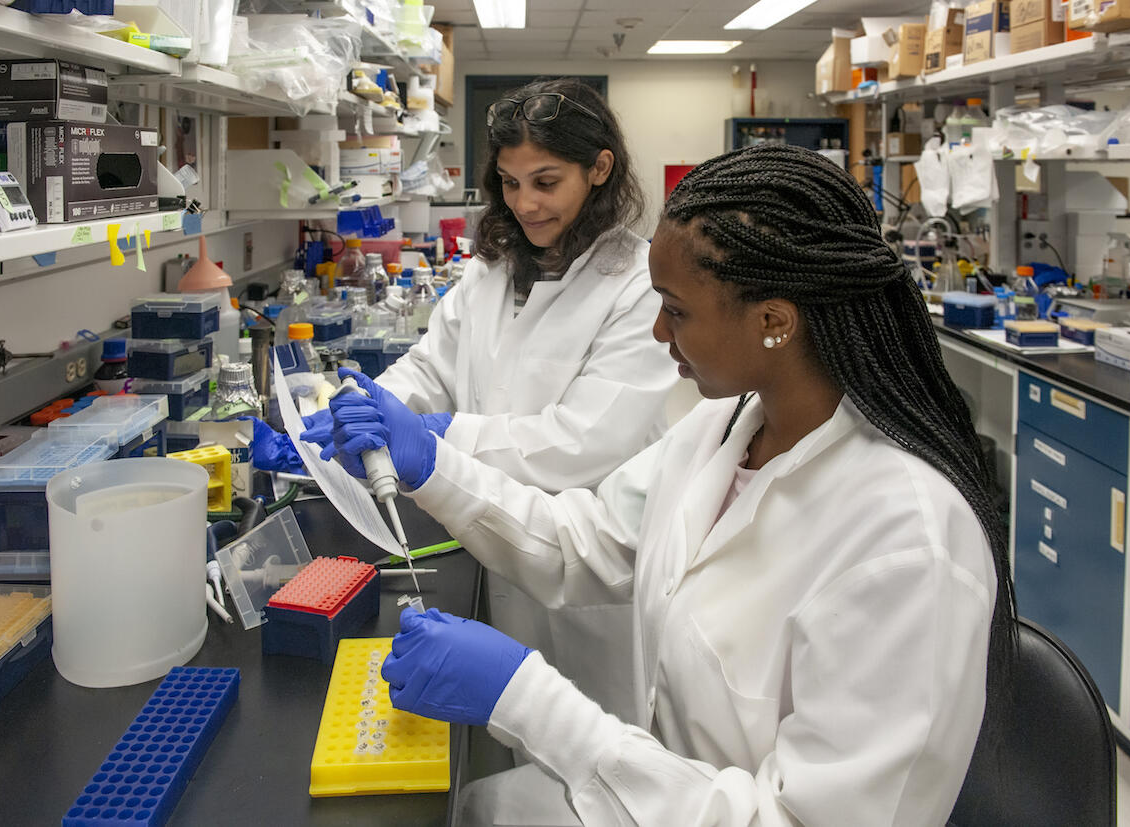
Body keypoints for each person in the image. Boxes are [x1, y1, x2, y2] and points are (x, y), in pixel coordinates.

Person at [308, 144, 1017, 825]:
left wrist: (526, 698)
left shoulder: (905, 541)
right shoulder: (725, 429)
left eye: (675, 310)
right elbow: (587, 541)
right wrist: (433, 467)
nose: (655, 330)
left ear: (774, 321)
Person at [313, 78, 677, 722]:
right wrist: (363, 407)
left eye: (545, 182)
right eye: (510, 183)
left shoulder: (637, 286)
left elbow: (583, 442)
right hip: (488, 538)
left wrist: (439, 435)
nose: (525, 204)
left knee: (582, 750)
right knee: (490, 739)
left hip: (585, 572)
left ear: (599, 169)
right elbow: (432, 364)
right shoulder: (495, 268)